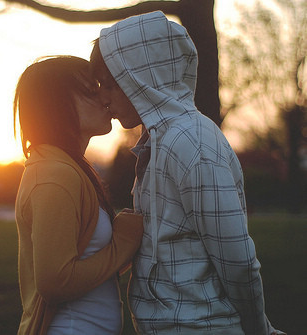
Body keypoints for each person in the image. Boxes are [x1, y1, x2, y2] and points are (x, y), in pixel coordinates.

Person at [90, 11, 285, 335]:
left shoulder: (192, 144)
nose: (102, 96)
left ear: (141, 77)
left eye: (110, 84)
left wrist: (258, 329)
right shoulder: (160, 141)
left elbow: (236, 259)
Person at [13, 56, 144, 335]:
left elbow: (84, 268)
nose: (105, 98)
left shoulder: (63, 167)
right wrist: (122, 244)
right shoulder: (53, 176)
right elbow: (55, 282)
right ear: (56, 105)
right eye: (92, 91)